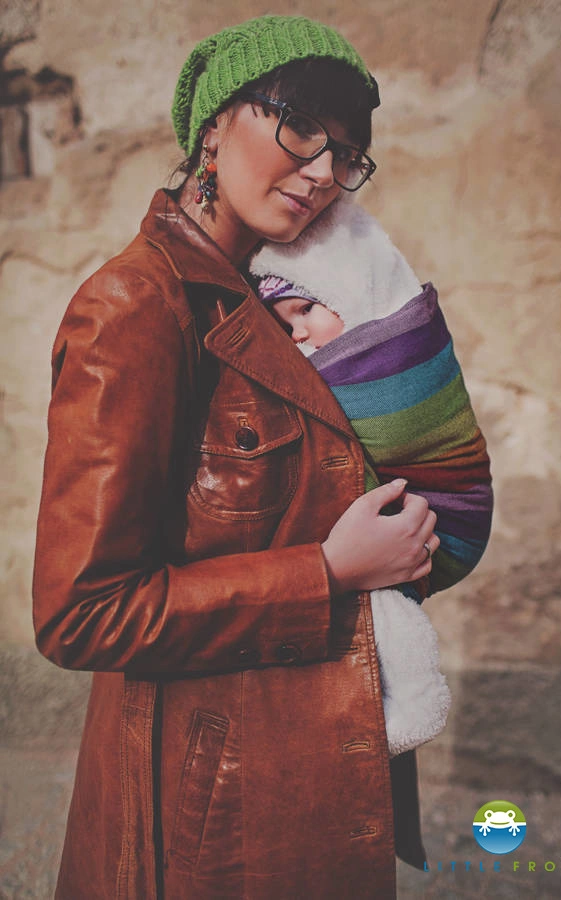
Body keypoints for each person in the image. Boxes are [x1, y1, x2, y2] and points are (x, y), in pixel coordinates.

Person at [32, 15, 441, 900]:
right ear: (213, 128)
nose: (323, 171)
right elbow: (83, 615)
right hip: (211, 813)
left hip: (313, 772)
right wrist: (327, 573)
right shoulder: (134, 308)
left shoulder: (298, 298)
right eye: (300, 126)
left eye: (346, 154)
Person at [251, 200, 493, 756]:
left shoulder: (397, 347)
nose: (298, 334)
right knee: (377, 601)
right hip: (402, 528)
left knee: (383, 604)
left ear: (349, 293)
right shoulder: (319, 352)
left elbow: (411, 429)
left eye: (306, 308)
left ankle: (417, 701)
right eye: (285, 325)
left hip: (444, 511)